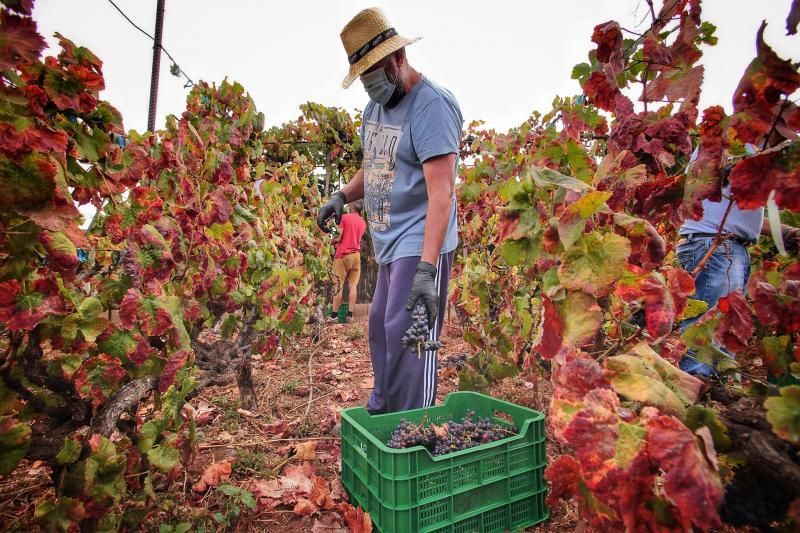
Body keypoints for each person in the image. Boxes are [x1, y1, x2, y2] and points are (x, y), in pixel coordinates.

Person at [317, 7, 462, 413]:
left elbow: (441, 195)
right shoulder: (374, 109)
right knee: (381, 329)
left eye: (375, 73)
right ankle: (384, 411)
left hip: (420, 240)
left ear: (399, 59)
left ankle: (412, 425)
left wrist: (427, 271)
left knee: (409, 334)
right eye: (364, 78)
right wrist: (342, 196)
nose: (371, 85)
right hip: (389, 241)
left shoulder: (431, 107)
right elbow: (375, 165)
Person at [678, 143, 800, 377]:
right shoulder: (728, 141)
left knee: (724, 324)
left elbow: (743, 219)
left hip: (728, 247)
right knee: (707, 325)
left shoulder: (752, 149)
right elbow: (702, 182)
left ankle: (713, 387)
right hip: (714, 244)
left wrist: (785, 232)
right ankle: (694, 388)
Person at [330, 201, 367, 320]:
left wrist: (329, 241)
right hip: (356, 255)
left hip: (343, 255)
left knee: (338, 285)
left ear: (351, 207)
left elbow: (338, 236)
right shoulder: (363, 222)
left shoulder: (345, 218)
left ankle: (334, 316)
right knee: (353, 286)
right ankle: (350, 315)